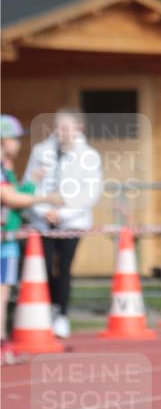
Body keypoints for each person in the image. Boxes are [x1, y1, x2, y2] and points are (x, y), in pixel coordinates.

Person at [23, 109, 102, 339]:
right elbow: (30, 183)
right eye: (58, 127)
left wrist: (64, 214)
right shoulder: (41, 151)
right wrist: (44, 211)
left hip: (72, 222)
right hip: (42, 221)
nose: (61, 132)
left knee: (64, 267)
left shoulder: (89, 155)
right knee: (45, 267)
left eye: (67, 127)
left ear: (78, 129)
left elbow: (90, 192)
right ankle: (47, 309)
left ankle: (62, 314)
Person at [1, 115, 62, 365]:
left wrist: (33, 184)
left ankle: (3, 344)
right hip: (4, 242)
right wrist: (45, 198)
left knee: (4, 295)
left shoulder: (8, 168)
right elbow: (10, 199)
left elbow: (16, 198)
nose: (19, 143)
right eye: (15, 138)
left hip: (8, 241)